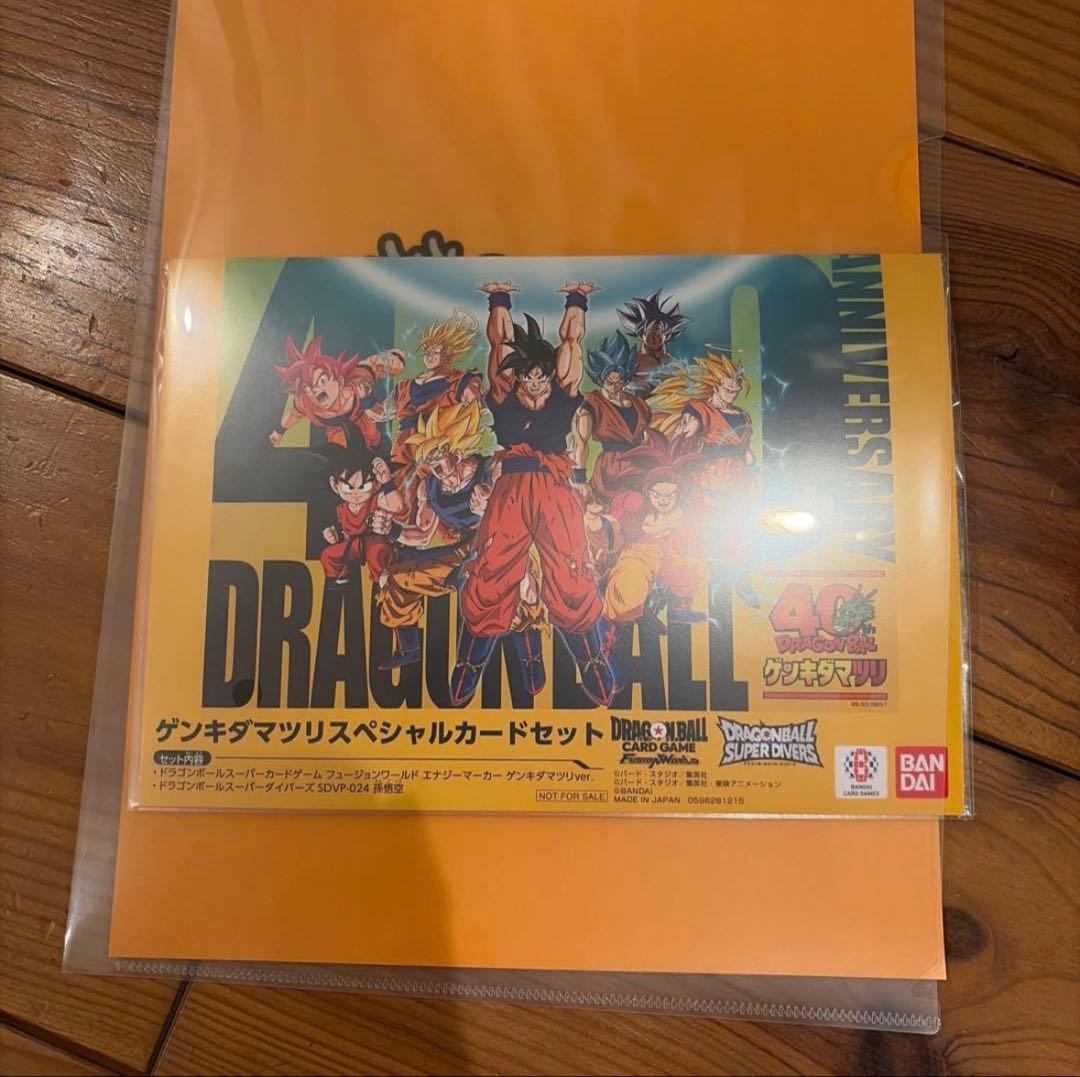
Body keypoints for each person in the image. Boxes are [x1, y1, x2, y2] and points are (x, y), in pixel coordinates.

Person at [450, 281, 617, 707]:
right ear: (519, 377)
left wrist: (577, 299)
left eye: (543, 376)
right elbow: (500, 342)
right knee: (491, 569)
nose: (537, 384)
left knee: (571, 568)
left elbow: (572, 340)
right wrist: (498, 300)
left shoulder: (562, 395)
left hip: (553, 488)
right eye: (529, 377)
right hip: (511, 489)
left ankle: (591, 658)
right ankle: (470, 661)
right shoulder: (505, 396)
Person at [371, 401, 546, 692]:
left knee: (520, 592)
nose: (433, 462)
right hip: (462, 553)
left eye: (438, 452)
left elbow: (525, 500)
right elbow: (422, 535)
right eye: (428, 455)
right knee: (400, 577)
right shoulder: (430, 487)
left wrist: (492, 504)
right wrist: (392, 529)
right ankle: (409, 649)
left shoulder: (491, 468)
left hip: (502, 546)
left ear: (456, 448)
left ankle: (531, 657)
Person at [570, 329, 668, 512]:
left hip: (640, 467)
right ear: (600, 378)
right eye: (609, 381)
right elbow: (580, 443)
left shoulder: (638, 403)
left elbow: (648, 435)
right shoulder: (591, 404)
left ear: (626, 377)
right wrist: (579, 479)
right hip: (611, 471)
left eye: (619, 380)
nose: (614, 386)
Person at [602, 467, 708, 629]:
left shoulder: (679, 514)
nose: (663, 500)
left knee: (695, 569)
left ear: (677, 494)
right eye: (657, 495)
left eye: (669, 495)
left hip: (665, 557)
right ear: (649, 493)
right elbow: (615, 524)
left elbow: (691, 539)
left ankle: (678, 607)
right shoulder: (638, 509)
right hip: (638, 555)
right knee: (631, 578)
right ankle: (634, 615)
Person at [271, 335, 404, 456]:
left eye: (322, 381)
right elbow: (294, 415)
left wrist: (393, 359)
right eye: (308, 387)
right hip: (336, 430)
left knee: (373, 438)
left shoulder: (358, 385)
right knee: (340, 454)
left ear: (339, 381)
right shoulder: (305, 401)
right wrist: (279, 431)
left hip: (362, 419)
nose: (315, 390)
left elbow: (371, 363)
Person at [390, 309, 483, 468]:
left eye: (435, 351)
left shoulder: (461, 381)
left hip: (435, 453)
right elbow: (383, 412)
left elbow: (478, 406)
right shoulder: (405, 386)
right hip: (401, 451)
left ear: (448, 353)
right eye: (427, 352)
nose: (429, 355)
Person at [319, 452, 402, 584]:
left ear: (376, 485)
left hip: (375, 543)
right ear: (335, 485)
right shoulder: (341, 509)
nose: (355, 493)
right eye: (348, 487)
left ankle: (384, 582)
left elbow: (397, 506)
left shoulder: (376, 500)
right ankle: (341, 580)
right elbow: (345, 534)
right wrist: (335, 536)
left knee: (376, 556)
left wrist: (387, 483)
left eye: (363, 487)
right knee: (327, 555)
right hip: (353, 546)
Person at [617, 290, 691, 387]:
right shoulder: (631, 362)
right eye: (649, 333)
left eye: (659, 333)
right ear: (641, 335)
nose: (654, 338)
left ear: (667, 335)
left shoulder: (674, 363)